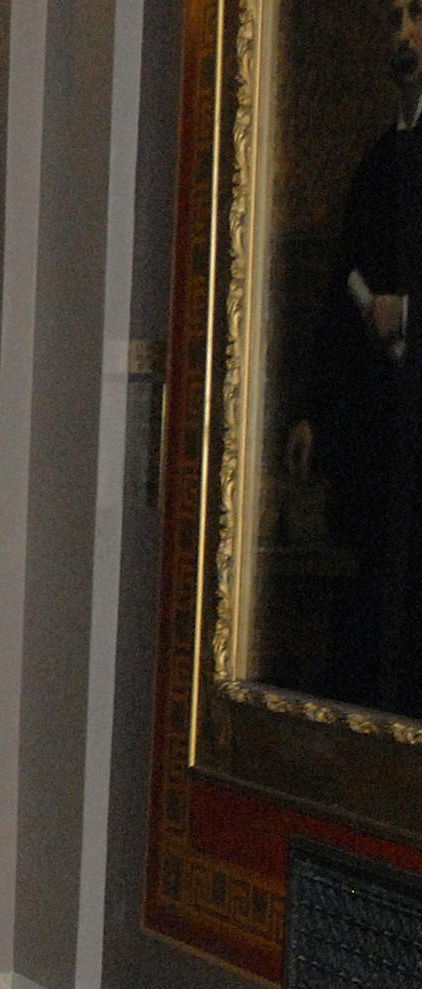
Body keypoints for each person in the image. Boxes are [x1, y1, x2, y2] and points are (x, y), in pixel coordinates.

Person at [284, 0, 422, 714]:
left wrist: (410, 313)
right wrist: (315, 412)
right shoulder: (376, 163)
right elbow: (345, 292)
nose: (403, 34)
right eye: (395, 17)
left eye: (417, 17)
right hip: (380, 430)